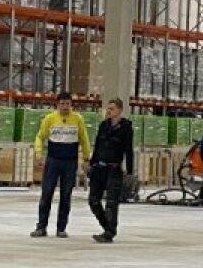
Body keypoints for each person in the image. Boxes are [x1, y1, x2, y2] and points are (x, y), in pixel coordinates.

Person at [31, 93, 91, 238]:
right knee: (47, 193)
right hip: (53, 160)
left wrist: (86, 158)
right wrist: (39, 153)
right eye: (62, 104)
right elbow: (40, 136)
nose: (65, 107)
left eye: (68, 104)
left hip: (70, 162)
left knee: (66, 195)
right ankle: (41, 227)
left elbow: (84, 139)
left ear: (71, 105)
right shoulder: (50, 119)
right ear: (57, 105)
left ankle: (61, 228)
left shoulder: (77, 119)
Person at [87, 98, 133, 243]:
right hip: (99, 168)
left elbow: (128, 150)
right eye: (108, 108)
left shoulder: (126, 128)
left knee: (112, 202)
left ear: (119, 110)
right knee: (93, 200)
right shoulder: (103, 126)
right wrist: (92, 164)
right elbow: (97, 146)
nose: (109, 111)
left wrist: (129, 170)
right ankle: (107, 226)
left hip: (114, 168)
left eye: (112, 108)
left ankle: (109, 232)